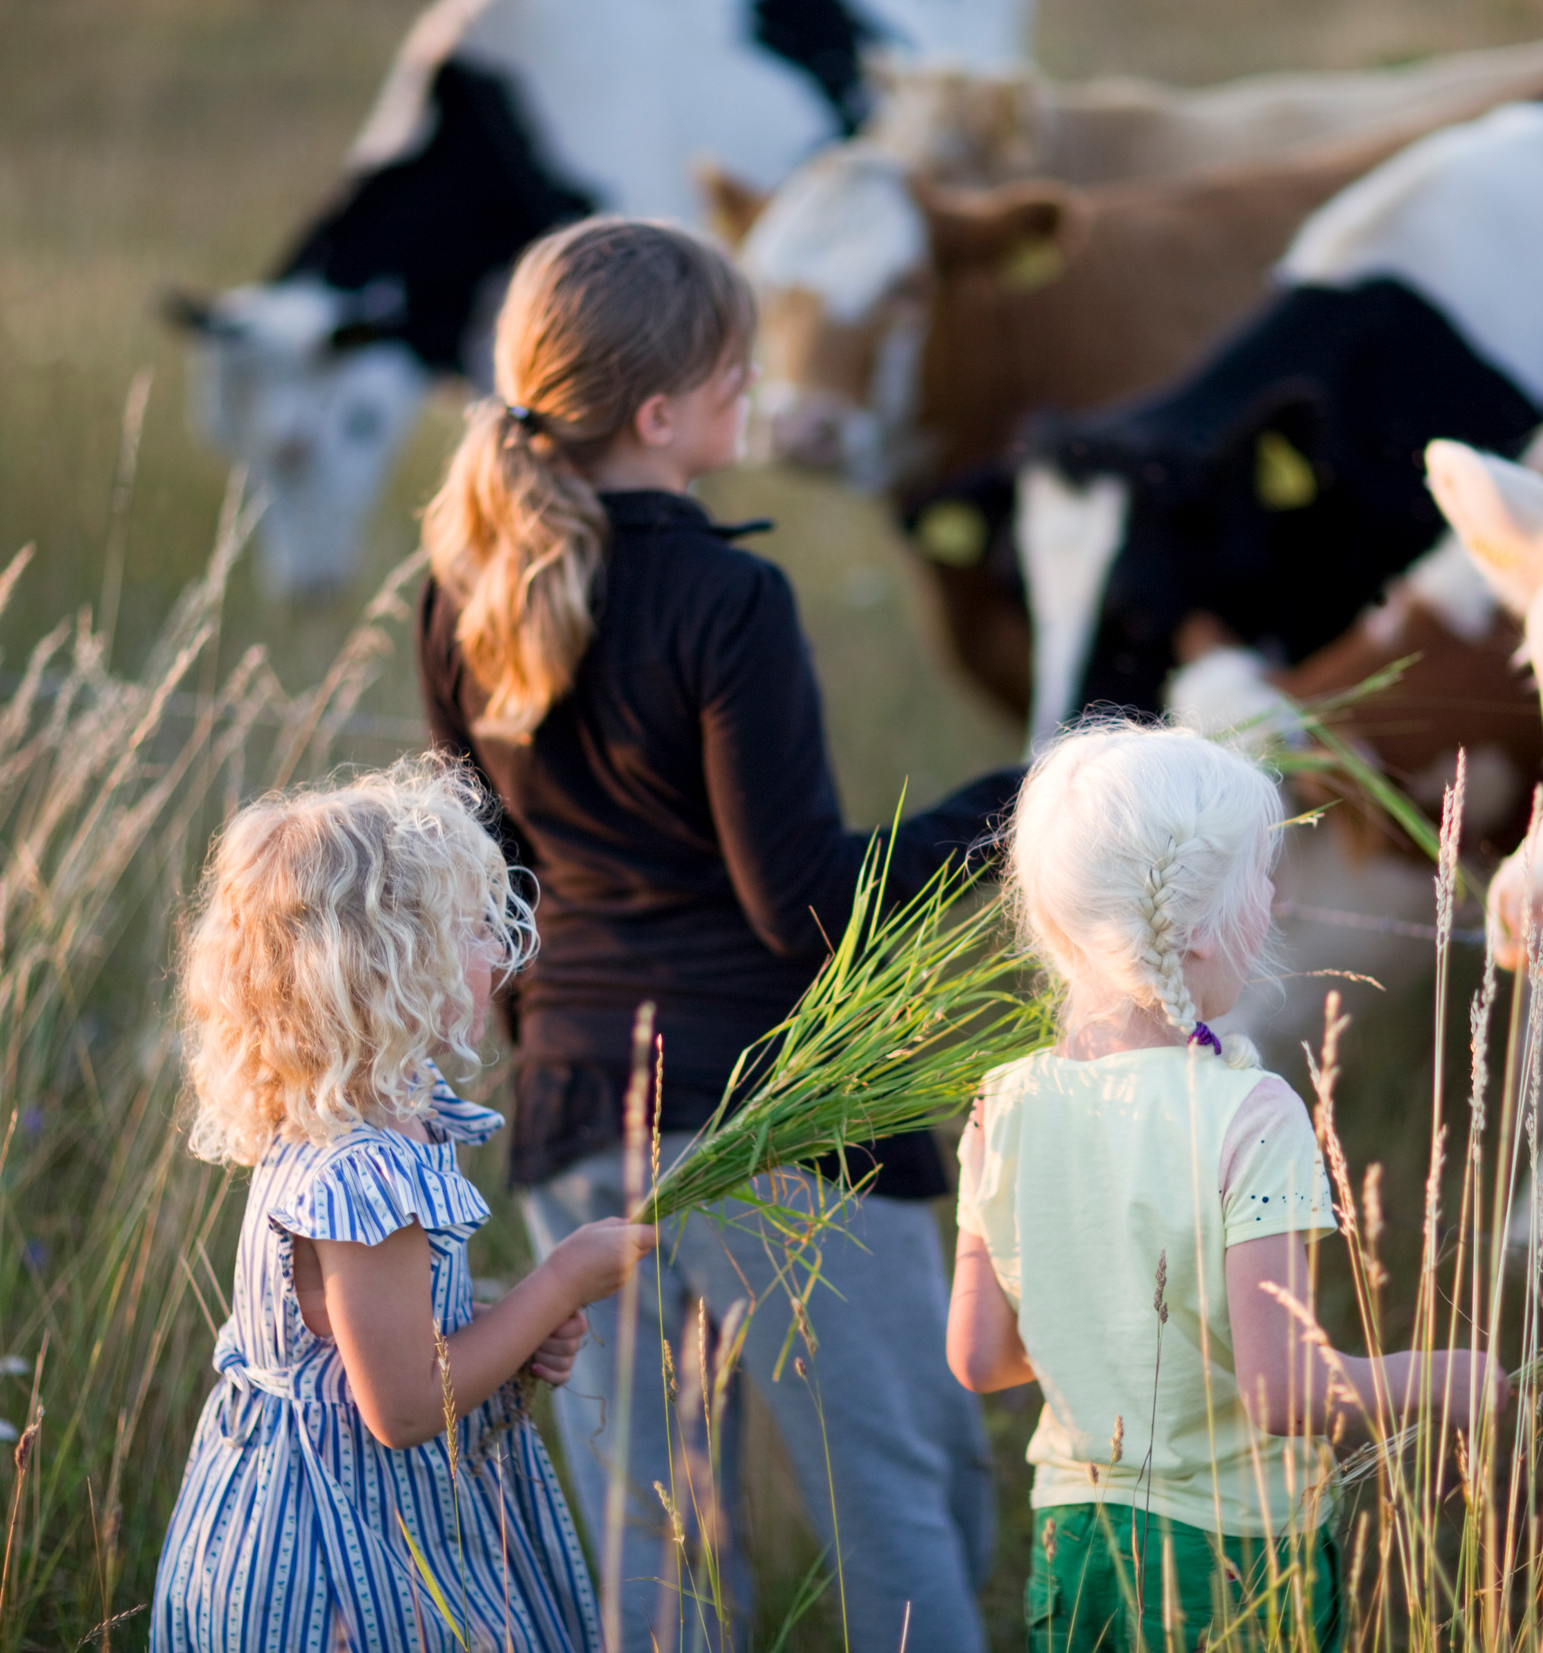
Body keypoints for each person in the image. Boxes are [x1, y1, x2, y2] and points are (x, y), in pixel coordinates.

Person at [415, 216, 1017, 1652]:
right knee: (899, 1495)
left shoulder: (462, 603)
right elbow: (804, 905)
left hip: (573, 1117)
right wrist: (1018, 806)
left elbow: (500, 898)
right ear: (662, 411)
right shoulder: (730, 600)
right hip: (775, 1112)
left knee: (653, 1533)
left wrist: (571, 1061)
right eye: (732, 360)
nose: (756, 378)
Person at [949, 724, 1504, 1650]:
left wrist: (1111, 1334)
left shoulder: (1001, 1103)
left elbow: (979, 1358)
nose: (1278, 896)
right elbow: (1280, 1389)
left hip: (1074, 1539)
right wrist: (1438, 1379)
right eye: (1259, 874)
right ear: (1195, 928)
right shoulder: (1252, 1115)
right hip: (1230, 1554)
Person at [149, 757, 655, 1653]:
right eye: (468, 930)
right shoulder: (361, 1170)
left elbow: (380, 1336)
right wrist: (560, 1284)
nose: (498, 950)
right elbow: (406, 1405)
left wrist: (506, 1322)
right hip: (333, 1557)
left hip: (323, 1502)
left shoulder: (378, 1112)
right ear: (383, 964)